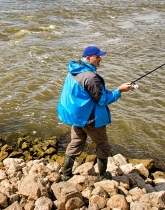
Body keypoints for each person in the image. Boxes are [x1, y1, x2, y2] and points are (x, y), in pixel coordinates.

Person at [57, 45, 134, 180]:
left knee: (76, 142)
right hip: (89, 119)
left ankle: (66, 174)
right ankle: (103, 176)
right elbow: (103, 100)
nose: (100, 59)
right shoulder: (91, 77)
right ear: (88, 58)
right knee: (103, 146)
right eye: (97, 57)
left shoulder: (73, 70)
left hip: (77, 117)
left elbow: (88, 93)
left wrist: (107, 91)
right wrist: (119, 90)